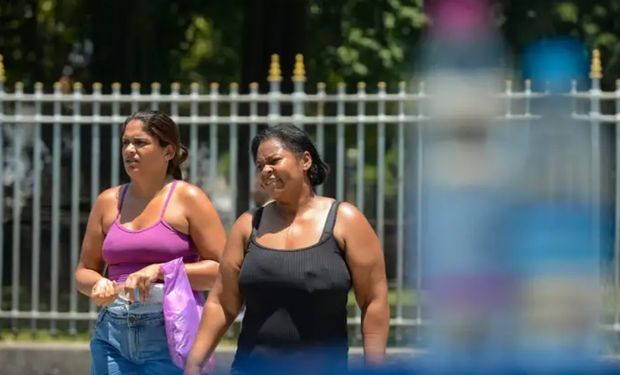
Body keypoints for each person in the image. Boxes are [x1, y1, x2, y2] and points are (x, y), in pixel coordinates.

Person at [185, 124, 389, 375]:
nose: (266, 171)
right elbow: (222, 302)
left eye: (274, 160)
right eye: (260, 166)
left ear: (305, 160)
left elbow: (374, 301)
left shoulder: (345, 220)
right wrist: (194, 364)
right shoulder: (248, 225)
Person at [75, 110, 226, 375]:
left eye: (141, 143)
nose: (130, 150)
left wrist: (162, 271)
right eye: (125, 143)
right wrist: (97, 283)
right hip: (112, 332)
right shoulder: (108, 201)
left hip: (169, 332)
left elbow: (223, 272)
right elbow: (83, 271)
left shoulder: (189, 198)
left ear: (169, 151)